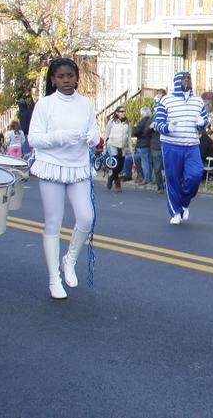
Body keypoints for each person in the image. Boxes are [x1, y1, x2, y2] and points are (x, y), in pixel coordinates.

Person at [27, 57, 101, 299]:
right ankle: (53, 279)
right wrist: (60, 137)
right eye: (61, 76)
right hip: (52, 166)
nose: (67, 80)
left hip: (78, 167)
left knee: (86, 217)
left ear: (77, 77)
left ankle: (69, 259)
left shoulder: (86, 104)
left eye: (70, 75)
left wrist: (92, 137)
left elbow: (93, 129)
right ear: (53, 80)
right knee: (53, 223)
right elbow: (34, 139)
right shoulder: (45, 105)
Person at [154, 72, 208, 224]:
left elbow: (205, 121)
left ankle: (184, 202)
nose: (187, 82)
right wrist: (166, 127)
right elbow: (157, 122)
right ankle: (175, 212)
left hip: (191, 145)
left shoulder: (198, 101)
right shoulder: (166, 100)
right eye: (184, 79)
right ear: (177, 82)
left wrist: (201, 123)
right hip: (171, 145)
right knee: (173, 179)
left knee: (196, 175)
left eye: (189, 79)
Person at [103, 107, 130, 191]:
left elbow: (129, 136)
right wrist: (104, 148)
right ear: (117, 113)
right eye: (121, 111)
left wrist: (131, 150)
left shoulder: (127, 123)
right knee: (115, 166)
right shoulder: (112, 122)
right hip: (112, 146)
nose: (123, 113)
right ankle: (117, 184)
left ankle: (111, 178)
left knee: (120, 167)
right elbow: (106, 135)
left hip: (122, 147)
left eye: (124, 111)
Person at [149, 91, 167, 193]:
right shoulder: (153, 115)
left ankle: (168, 186)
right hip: (156, 145)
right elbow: (146, 130)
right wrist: (151, 126)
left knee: (168, 166)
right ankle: (160, 187)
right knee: (157, 168)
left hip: (166, 144)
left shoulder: (169, 113)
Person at [132, 106, 154, 185]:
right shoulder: (151, 120)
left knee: (145, 163)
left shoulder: (142, 122)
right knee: (149, 162)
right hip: (150, 144)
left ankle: (146, 179)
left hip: (142, 144)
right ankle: (150, 179)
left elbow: (135, 132)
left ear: (142, 113)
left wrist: (134, 127)